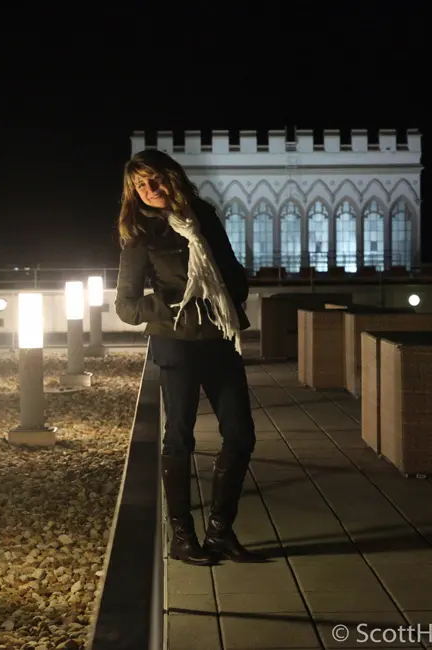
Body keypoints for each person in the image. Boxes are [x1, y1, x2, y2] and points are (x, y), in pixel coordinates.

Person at [113, 149, 264, 565]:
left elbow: (229, 267)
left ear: (172, 176)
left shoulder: (204, 218)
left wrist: (231, 294)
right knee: (179, 438)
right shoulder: (140, 236)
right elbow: (125, 306)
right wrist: (173, 307)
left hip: (220, 338)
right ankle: (182, 537)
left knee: (241, 435)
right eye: (141, 185)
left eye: (155, 179)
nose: (151, 189)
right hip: (176, 344)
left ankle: (220, 531)